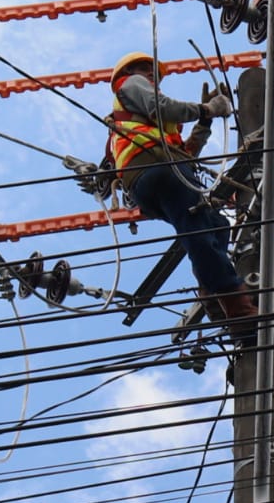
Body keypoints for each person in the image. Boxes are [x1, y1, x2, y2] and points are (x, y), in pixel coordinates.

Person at [106, 51, 256, 323]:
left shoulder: (145, 121)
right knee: (198, 230)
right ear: (126, 74)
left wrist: (205, 121)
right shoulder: (131, 85)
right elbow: (162, 106)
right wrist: (206, 109)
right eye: (142, 68)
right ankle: (238, 310)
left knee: (217, 226)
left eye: (154, 72)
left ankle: (211, 294)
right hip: (158, 171)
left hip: (158, 176)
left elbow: (185, 154)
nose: (150, 74)